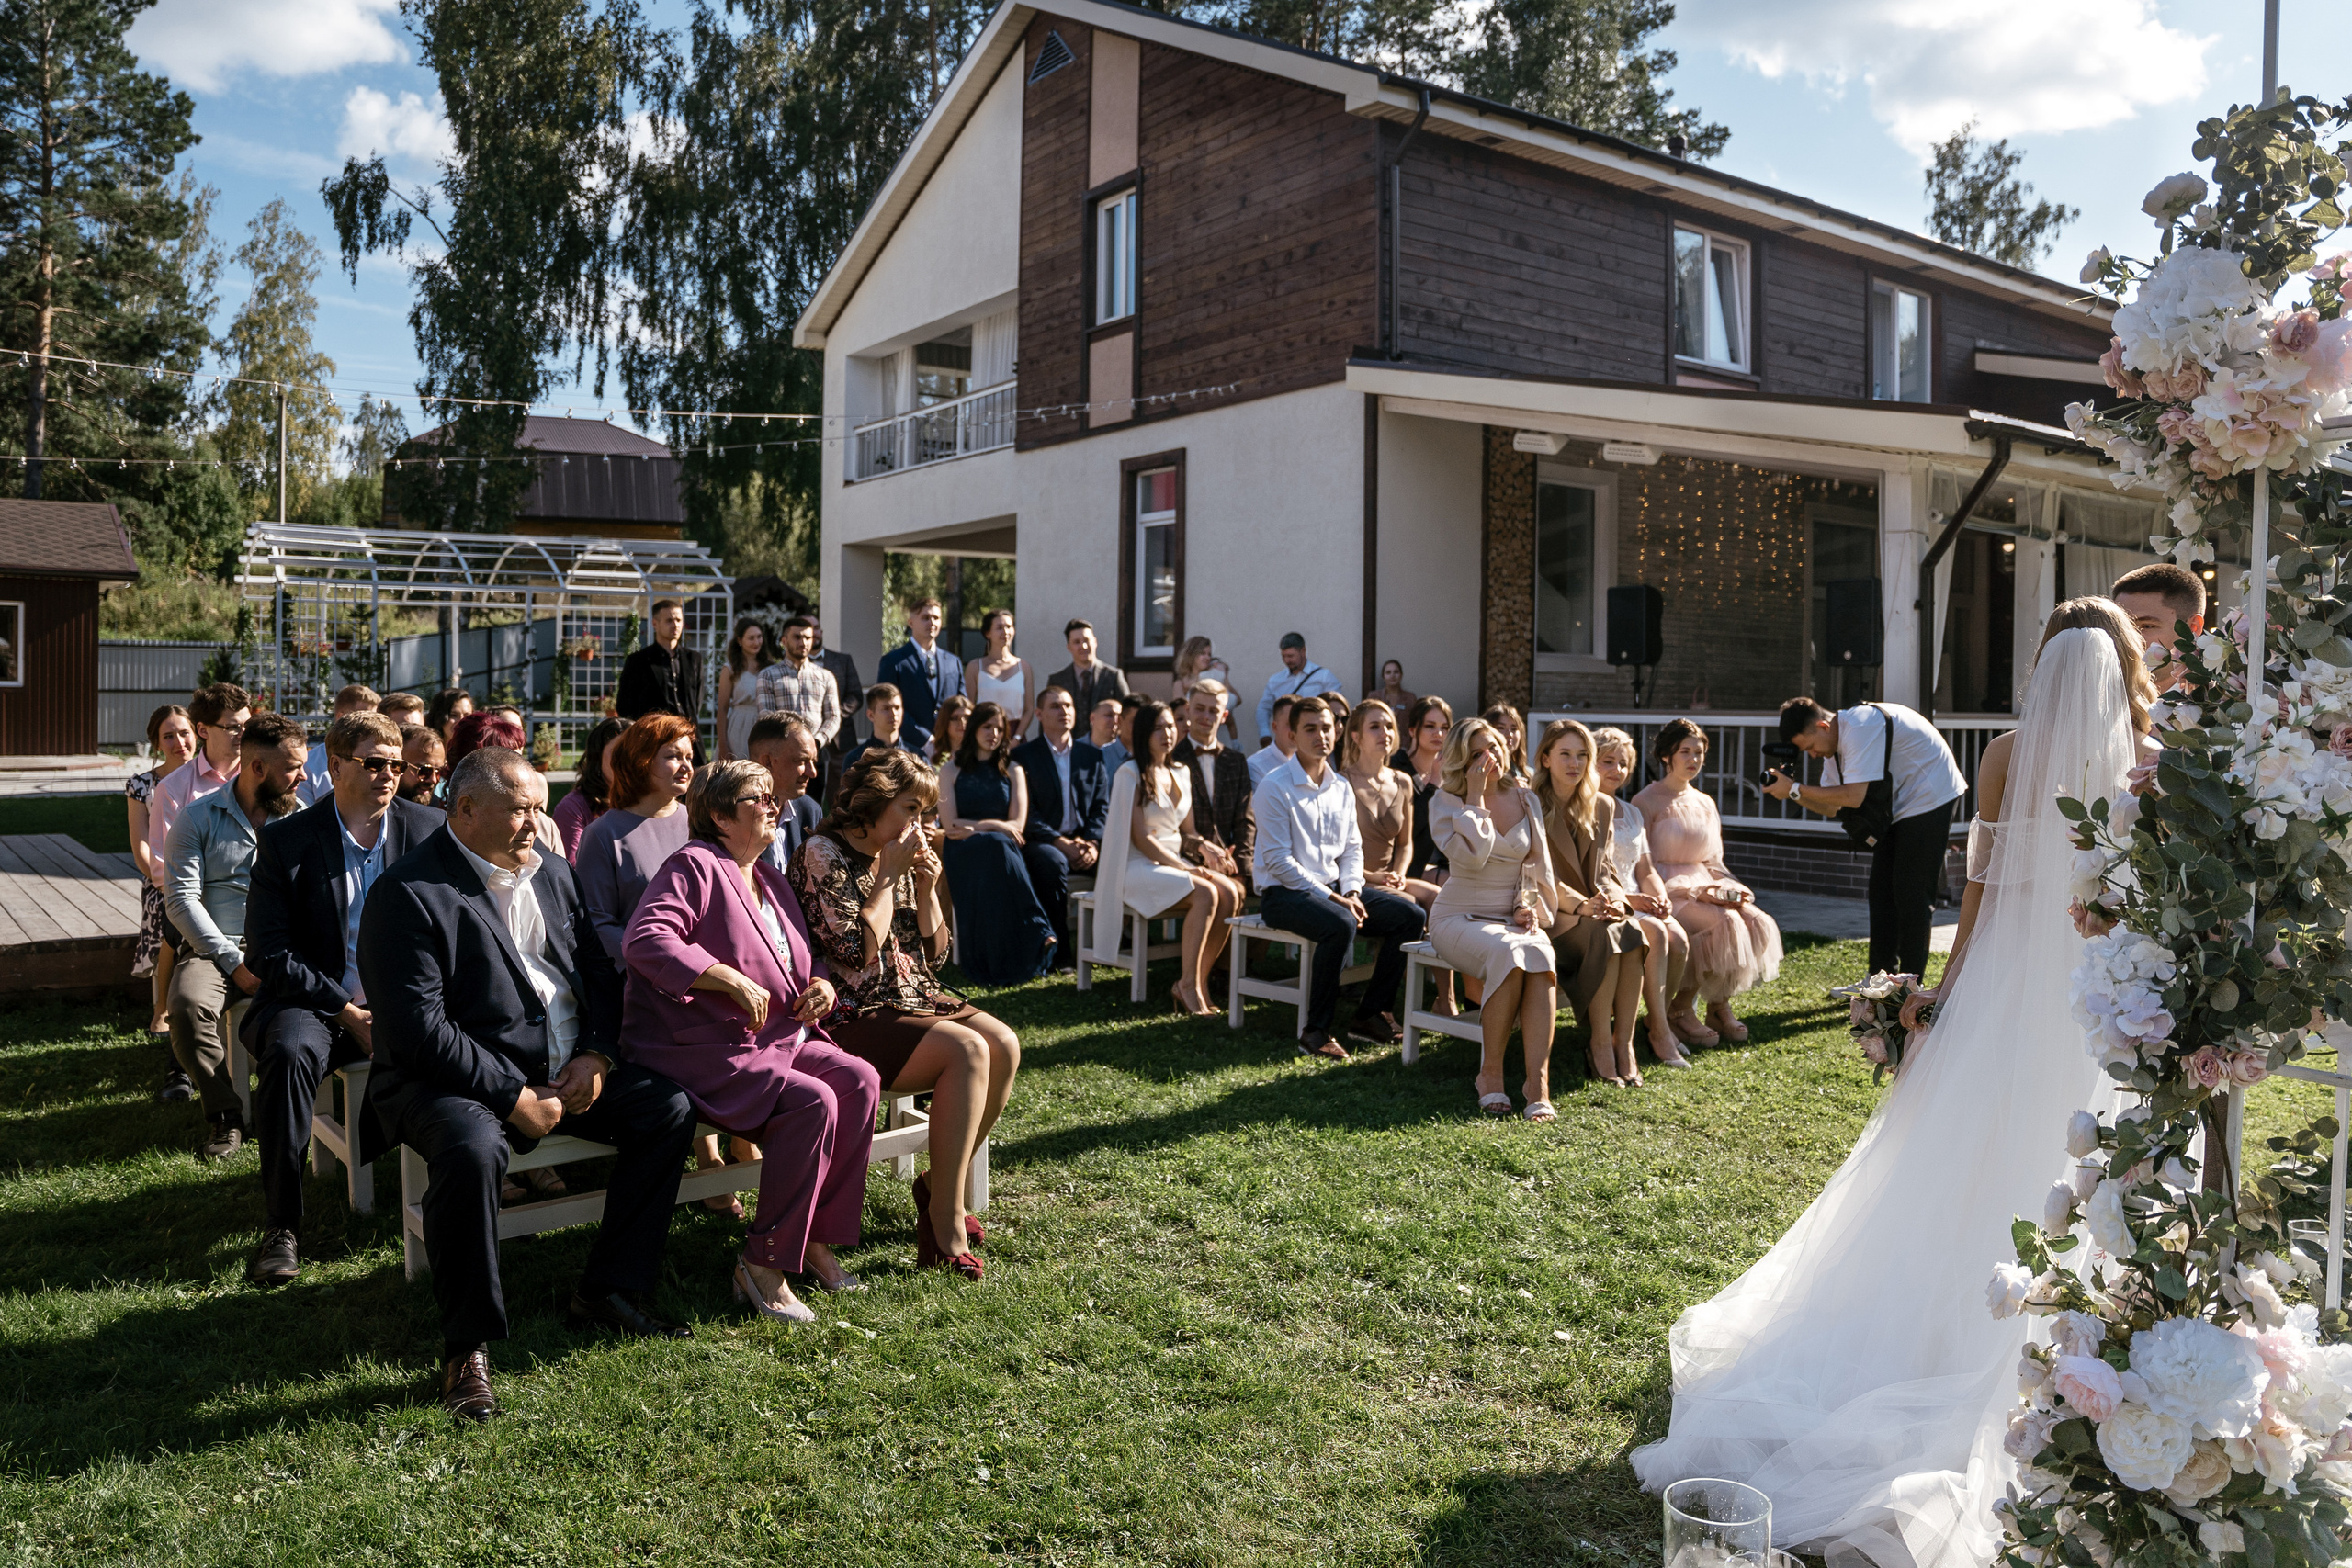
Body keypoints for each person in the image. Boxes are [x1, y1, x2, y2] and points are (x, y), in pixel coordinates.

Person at [1632, 602, 2155, 1568]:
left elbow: (1981, 894)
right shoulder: (2149, 762)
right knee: (2086, 1159)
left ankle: (1953, 1323)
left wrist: (1943, 1000)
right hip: (2107, 993)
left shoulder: (2003, 755)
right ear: (2126, 667)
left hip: (2010, 985)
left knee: (1973, 1155)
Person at [359, 748, 697, 1421]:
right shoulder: (409, 892)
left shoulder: (553, 873)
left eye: (540, 807)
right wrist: (513, 1094)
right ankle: (467, 1346)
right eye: (521, 809)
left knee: (668, 1108)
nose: (535, 823)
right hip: (455, 1080)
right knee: (471, 1150)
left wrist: (598, 1056)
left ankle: (607, 1288)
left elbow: (599, 975)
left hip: (568, 1071)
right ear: (465, 810)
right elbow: (419, 1030)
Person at [620, 760, 875, 1319]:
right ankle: (763, 1263)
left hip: (774, 1037)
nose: (774, 807)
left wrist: (823, 989)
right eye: (758, 799)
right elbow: (646, 938)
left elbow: (802, 963)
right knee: (813, 1101)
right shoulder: (696, 863)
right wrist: (723, 975)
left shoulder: (769, 877)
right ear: (719, 816)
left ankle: (810, 1238)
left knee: (859, 1080)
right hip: (701, 1046)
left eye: (773, 797)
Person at [788, 749, 1019, 1280]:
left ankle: (938, 1184)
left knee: (1003, 1043)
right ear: (872, 802)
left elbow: (934, 955)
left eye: (924, 814)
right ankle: (945, 1219)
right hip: (852, 1010)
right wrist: (888, 879)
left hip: (914, 996)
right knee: (967, 1050)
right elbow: (853, 954)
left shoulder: (896, 853)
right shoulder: (822, 853)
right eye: (909, 810)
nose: (918, 826)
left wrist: (925, 887)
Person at [238, 712, 444, 1286]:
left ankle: (476, 1187)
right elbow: (270, 952)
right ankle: (283, 1224)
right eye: (373, 763)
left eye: (396, 765)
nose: (387, 775)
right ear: (335, 764)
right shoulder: (288, 840)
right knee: (288, 1050)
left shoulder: (429, 829)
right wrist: (348, 1012)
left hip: (412, 998)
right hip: (320, 1000)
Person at [164, 710, 308, 1159]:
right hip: (214, 949)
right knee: (186, 1007)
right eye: (292, 768)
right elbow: (182, 900)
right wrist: (232, 961)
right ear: (257, 768)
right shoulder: (197, 817)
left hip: (286, 947)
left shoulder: (302, 821)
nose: (303, 776)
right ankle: (226, 1116)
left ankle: (295, 1107)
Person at [1252, 698, 1426, 1059]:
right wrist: (1335, 899)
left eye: (1327, 727)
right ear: (1291, 734)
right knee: (1340, 922)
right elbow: (1278, 861)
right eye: (1310, 729)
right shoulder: (1274, 786)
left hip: (1335, 889)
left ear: (1338, 731)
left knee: (1410, 916)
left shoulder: (1340, 787)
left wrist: (1351, 889)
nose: (1321, 736)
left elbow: (1351, 850)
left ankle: (1369, 1014)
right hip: (1282, 895)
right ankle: (1315, 1031)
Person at [1765, 694, 1967, 981]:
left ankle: (1909, 986)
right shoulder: (1832, 746)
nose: (1812, 755)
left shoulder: (1859, 726)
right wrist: (1792, 792)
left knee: (1911, 892)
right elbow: (1833, 804)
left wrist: (1795, 787)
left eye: (1810, 747)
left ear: (1823, 726)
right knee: (1881, 891)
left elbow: (1853, 796)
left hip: (1931, 793)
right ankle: (1879, 979)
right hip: (1898, 804)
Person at [1424, 718, 1560, 1117]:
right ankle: (1491, 1074)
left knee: (1539, 952)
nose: (1491, 758)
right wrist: (1476, 798)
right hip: (1457, 917)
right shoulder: (1444, 802)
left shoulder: (1526, 798)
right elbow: (1472, 856)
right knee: (1508, 951)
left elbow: (1536, 866)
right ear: (1463, 760)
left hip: (1511, 919)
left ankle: (1538, 1084)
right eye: (1480, 752)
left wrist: (1525, 904)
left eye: (1496, 747)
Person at [1535, 719, 1670, 1083]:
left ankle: (1622, 1043)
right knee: (1607, 935)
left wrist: (1614, 900)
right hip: (1554, 912)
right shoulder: (1530, 803)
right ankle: (1598, 1043)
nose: (1574, 763)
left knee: (1631, 932)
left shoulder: (1602, 806)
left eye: (1582, 755)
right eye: (1564, 754)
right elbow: (1535, 872)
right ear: (1546, 758)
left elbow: (1607, 870)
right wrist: (1581, 905)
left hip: (1598, 909)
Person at [1634, 720, 1783, 1044]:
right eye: (1684, 752)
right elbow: (1640, 865)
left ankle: (1719, 1004)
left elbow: (1714, 860)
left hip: (1705, 882)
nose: (1693, 759)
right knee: (1724, 923)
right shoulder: (1645, 801)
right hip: (1665, 887)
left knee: (1755, 920)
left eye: (1698, 752)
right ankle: (1680, 1009)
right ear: (1666, 756)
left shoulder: (1705, 802)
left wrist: (1731, 887)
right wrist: (1692, 890)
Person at [1093, 698, 1243, 1016]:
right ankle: (1187, 985)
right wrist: (1186, 870)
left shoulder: (1180, 771)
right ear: (1144, 733)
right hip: (1135, 866)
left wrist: (1205, 849)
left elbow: (1187, 831)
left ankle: (1197, 982)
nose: (1167, 734)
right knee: (1205, 893)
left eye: (1171, 726)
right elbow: (1143, 839)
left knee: (1230, 892)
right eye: (1158, 728)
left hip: (1171, 864)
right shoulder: (1129, 772)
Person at [1590, 727, 1694, 1058]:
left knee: (1679, 939)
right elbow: (1591, 873)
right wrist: (1630, 899)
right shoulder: (1584, 809)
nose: (1616, 770)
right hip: (1611, 901)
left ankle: (1654, 1020)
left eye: (1623, 764)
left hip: (1641, 898)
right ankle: (1661, 1034)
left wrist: (1660, 897)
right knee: (1659, 936)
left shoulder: (1632, 812)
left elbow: (1645, 868)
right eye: (1608, 761)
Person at [938, 700, 1057, 985]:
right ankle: (1038, 929)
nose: (993, 733)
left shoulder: (1013, 769)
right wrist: (994, 827)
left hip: (1002, 852)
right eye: (987, 726)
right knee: (996, 843)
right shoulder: (950, 770)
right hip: (965, 852)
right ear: (974, 729)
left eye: (1000, 728)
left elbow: (1017, 825)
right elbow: (951, 825)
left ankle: (1025, 942)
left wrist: (982, 827)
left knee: (998, 844)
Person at [1011, 685, 1111, 965]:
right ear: (1040, 714)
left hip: (1083, 842)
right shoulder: (1024, 756)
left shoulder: (1091, 756)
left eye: (1068, 705)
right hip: (1043, 843)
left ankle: (1114, 944)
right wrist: (1059, 842)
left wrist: (1091, 842)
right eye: (1056, 706)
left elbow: (1101, 807)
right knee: (1052, 863)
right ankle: (1061, 953)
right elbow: (1026, 811)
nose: (1064, 711)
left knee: (1117, 863)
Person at [130, 704, 199, 1098]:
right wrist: (162, 880)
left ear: (198, 733)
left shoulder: (216, 779)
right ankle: (163, 1009)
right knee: (169, 920)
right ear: (156, 741)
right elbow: (140, 843)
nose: (179, 742)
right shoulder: (142, 785)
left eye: (185, 732)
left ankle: (169, 1012)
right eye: (168, 735)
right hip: (162, 883)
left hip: (204, 883)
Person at [148, 682, 251, 905]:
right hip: (202, 912)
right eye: (233, 727)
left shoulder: (262, 777)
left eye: (248, 725)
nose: (244, 733)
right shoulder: (173, 788)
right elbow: (162, 866)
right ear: (203, 730)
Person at [1338, 700, 1442, 917]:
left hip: (1390, 877)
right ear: (1356, 736)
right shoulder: (1341, 782)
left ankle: (1424, 952)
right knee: (1411, 905)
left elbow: (1405, 844)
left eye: (1389, 726)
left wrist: (1399, 873)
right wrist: (1375, 877)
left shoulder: (1403, 781)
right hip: (1354, 878)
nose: (1384, 733)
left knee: (1437, 896)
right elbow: (1336, 852)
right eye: (1374, 727)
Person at [1170, 678, 1252, 892]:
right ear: (1187, 711)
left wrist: (1242, 869)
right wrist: (1200, 852)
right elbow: (1170, 826)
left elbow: (1245, 820)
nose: (1206, 717)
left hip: (1230, 861)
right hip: (1185, 859)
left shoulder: (1236, 761)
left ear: (1224, 716)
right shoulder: (1171, 759)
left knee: (1239, 891)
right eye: (1199, 709)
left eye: (1213, 711)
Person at [614, 599, 706, 745]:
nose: (675, 625)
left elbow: (696, 700)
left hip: (689, 738)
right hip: (652, 740)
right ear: (655, 624)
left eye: (678, 620)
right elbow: (625, 705)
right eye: (669, 620)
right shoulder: (639, 661)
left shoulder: (694, 659)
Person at [756, 615, 842, 763]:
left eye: (808, 638)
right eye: (797, 637)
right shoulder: (768, 675)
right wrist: (789, 742)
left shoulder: (826, 676)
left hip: (817, 752)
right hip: (782, 752)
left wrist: (817, 741)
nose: (803, 642)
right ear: (784, 641)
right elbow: (766, 716)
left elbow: (833, 717)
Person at [747, 713, 826, 874]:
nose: (812, 773)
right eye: (801, 761)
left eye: (813, 761)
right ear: (767, 762)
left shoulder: (809, 811)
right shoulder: (737, 813)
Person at [875, 596, 963, 739]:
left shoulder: (953, 662)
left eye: (936, 618)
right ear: (911, 622)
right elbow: (888, 705)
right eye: (925, 618)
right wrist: (925, 739)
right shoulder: (893, 661)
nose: (932, 622)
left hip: (947, 743)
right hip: (909, 745)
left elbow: (961, 704)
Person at [2111, 560, 2207, 691]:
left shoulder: (2222, 704)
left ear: (2193, 627)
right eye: (2120, 626)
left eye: (2146, 626)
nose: (2126, 638)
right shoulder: (2095, 697)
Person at [552, 716, 628, 861]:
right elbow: (573, 868)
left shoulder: (649, 802)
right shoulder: (573, 808)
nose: (625, 760)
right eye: (616, 752)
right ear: (597, 757)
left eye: (633, 752)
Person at [1253, 631, 1340, 748]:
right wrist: (1264, 734)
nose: (1287, 660)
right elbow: (1263, 708)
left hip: (1316, 739)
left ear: (1303, 651)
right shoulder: (1275, 680)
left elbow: (1336, 708)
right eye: (1284, 656)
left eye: (1290, 656)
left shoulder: (1324, 677)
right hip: (1287, 740)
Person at [300, 684, 383, 806]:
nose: (372, 725)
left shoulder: (386, 763)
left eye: (377, 719)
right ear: (341, 718)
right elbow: (303, 816)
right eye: (364, 718)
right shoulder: (309, 766)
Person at [964, 609, 1036, 739]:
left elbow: (1029, 709)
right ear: (988, 633)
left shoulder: (1024, 667)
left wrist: (1017, 738)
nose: (1005, 632)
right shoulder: (975, 667)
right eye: (999, 628)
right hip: (984, 733)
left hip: (1014, 735)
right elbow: (968, 706)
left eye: (1009, 627)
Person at [813, 626, 864, 803]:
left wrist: (833, 715)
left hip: (840, 739)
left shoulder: (842, 660)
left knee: (844, 795)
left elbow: (856, 696)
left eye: (816, 628)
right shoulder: (793, 665)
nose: (813, 633)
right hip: (807, 740)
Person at [714, 617, 774, 761]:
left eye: (759, 637)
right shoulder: (730, 669)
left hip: (764, 725)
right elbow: (722, 709)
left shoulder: (770, 668)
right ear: (740, 641)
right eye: (751, 638)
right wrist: (723, 744)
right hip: (738, 727)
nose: (756, 642)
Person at [1047, 618, 1129, 717]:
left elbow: (1127, 714)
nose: (1084, 646)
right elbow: (1047, 720)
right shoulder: (1057, 681)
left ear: (1095, 642)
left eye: (1087, 640)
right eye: (1077, 642)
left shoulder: (1113, 676)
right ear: (1069, 647)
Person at [842, 682, 932, 773]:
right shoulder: (857, 758)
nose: (893, 714)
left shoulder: (917, 758)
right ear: (870, 715)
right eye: (886, 709)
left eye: (897, 708)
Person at [1171, 636, 1235, 740]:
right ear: (1191, 655)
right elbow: (1180, 714)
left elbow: (1237, 699)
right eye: (1202, 653)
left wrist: (1225, 676)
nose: (1207, 657)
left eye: (1209, 654)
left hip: (1219, 735)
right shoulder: (1180, 683)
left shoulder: (1213, 677)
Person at [1249, 694, 1298, 786]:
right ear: (1275, 727)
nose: (1295, 730)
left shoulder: (1313, 762)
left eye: (1300, 724)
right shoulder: (1255, 766)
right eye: (1290, 724)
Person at [399, 727, 448, 809]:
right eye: (425, 771)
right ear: (398, 764)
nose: (434, 780)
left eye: (439, 772)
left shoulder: (442, 815)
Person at [1480, 703, 1530, 784]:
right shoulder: (1481, 770)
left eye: (1514, 729)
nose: (1509, 734)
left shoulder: (1529, 774)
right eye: (1501, 728)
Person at [930, 694, 973, 768]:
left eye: (967, 717)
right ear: (945, 721)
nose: (962, 723)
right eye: (955, 718)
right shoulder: (931, 750)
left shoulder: (980, 753)